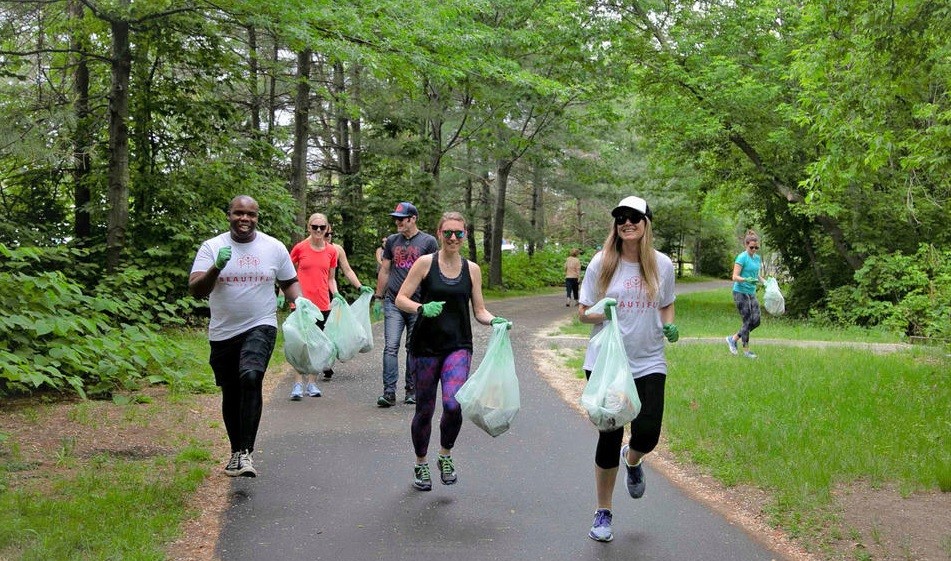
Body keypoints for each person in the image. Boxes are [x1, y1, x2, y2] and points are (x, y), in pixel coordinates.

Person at [577, 195, 678, 542]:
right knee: (610, 434)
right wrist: (601, 310)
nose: (627, 223)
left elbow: (666, 305)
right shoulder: (602, 262)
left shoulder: (662, 265)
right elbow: (583, 312)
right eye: (621, 217)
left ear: (646, 223)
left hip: (649, 359)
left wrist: (668, 326)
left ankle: (633, 460)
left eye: (634, 217)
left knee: (647, 433)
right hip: (607, 362)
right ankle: (603, 512)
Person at [394, 211, 510, 491]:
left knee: (453, 404)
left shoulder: (472, 269)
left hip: (458, 345)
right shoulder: (425, 263)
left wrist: (494, 320)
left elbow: (479, 309)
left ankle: (445, 454)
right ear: (439, 234)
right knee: (424, 409)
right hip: (425, 346)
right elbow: (401, 298)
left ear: (465, 235)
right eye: (448, 233)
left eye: (459, 233)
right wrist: (421, 308)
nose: (453, 238)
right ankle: (421, 463)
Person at [189, 195, 301, 478]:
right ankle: (236, 450)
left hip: (261, 325)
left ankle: (246, 453)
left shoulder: (273, 247)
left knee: (251, 377)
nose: (244, 219)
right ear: (229, 215)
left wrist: (301, 306)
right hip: (223, 331)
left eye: (250, 214)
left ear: (257, 217)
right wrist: (216, 267)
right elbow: (196, 290)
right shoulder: (212, 247)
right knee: (231, 390)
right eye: (239, 213)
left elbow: (289, 282)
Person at [373, 202, 439, 407]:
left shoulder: (428, 242)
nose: (397, 222)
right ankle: (389, 392)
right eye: (396, 218)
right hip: (393, 302)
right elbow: (385, 270)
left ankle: (412, 390)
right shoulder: (392, 241)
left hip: (417, 303)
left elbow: (434, 272)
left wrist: (432, 301)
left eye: (401, 219)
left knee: (414, 347)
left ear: (413, 219)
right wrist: (378, 297)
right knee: (391, 346)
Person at [288, 213, 349, 398]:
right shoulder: (299, 248)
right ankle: (298, 385)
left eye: (322, 227)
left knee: (316, 345)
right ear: (309, 227)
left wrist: (336, 293)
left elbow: (330, 278)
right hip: (301, 304)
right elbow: (287, 274)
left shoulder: (331, 251)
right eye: (315, 227)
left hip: (322, 304)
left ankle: (312, 384)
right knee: (300, 344)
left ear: (327, 228)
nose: (318, 231)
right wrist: (283, 295)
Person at [324, 224, 375, 381]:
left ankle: (327, 363)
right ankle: (314, 361)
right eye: (326, 234)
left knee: (331, 328)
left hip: (333, 293)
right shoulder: (307, 246)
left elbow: (347, 270)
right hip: (313, 292)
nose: (328, 236)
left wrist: (359, 286)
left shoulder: (337, 249)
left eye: (330, 233)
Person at [727, 230, 765, 359]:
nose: (754, 250)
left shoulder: (757, 258)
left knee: (756, 321)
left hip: (751, 292)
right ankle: (746, 351)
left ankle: (733, 338)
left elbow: (756, 274)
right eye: (751, 247)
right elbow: (734, 276)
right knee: (747, 320)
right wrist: (745, 279)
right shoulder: (742, 257)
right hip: (740, 291)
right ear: (746, 245)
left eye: (756, 247)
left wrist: (765, 282)